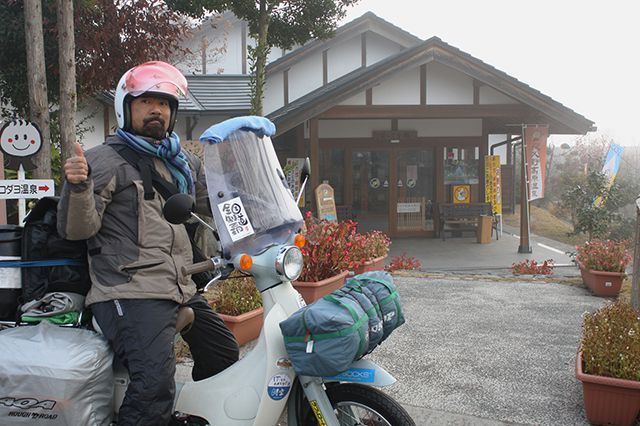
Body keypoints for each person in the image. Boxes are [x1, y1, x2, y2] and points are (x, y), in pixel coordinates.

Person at [57, 61, 275, 425]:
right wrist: (78, 187)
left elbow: (220, 204)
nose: (156, 110)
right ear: (127, 108)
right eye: (146, 102)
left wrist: (267, 212)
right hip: (127, 290)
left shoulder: (182, 163)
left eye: (164, 103)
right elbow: (77, 229)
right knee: (154, 384)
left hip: (177, 285)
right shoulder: (103, 161)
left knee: (222, 353)